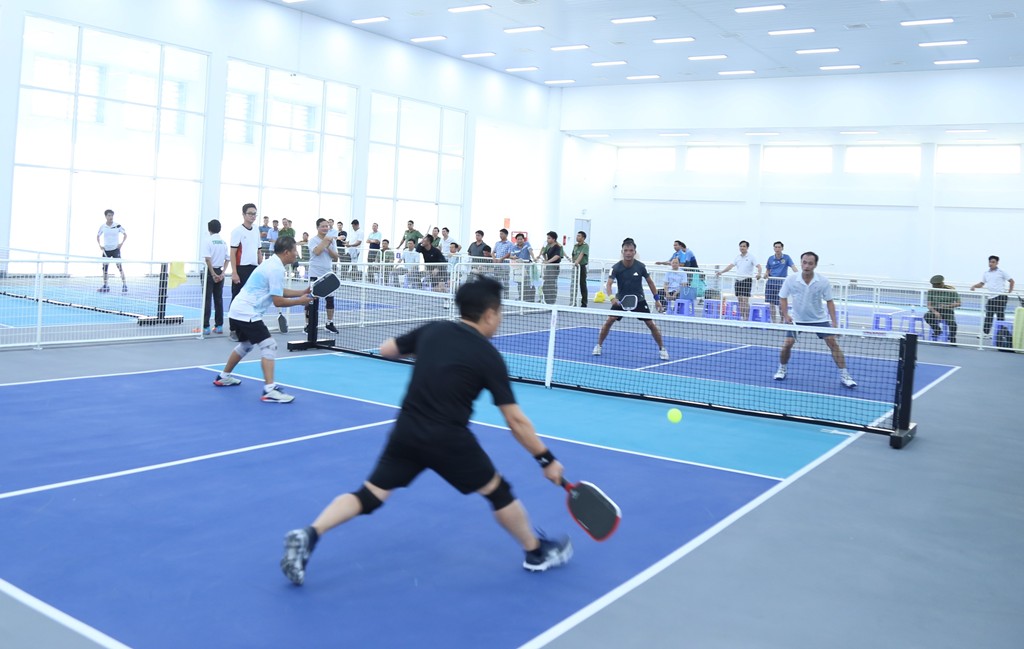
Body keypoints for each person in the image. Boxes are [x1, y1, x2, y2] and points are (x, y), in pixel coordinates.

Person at [279, 275, 572, 585]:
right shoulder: (489, 357)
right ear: (489, 314)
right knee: (498, 492)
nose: (499, 319)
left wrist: (428, 353)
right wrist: (545, 459)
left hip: (407, 432)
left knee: (370, 495)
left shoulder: (435, 330)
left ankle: (310, 533)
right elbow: (515, 420)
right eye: (499, 312)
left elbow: (387, 349)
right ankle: (535, 552)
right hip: (448, 440)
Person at [212, 236, 312, 403]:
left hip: (237, 310)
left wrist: (301, 292)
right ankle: (269, 390)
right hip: (247, 312)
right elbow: (278, 301)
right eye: (295, 250)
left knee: (246, 344)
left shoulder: (272, 263)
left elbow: (277, 290)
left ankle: (223, 377)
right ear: (286, 252)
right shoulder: (276, 269)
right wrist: (300, 301)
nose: (296, 254)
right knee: (269, 345)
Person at [773, 252, 856, 388]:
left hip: (819, 319)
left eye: (810, 263)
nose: (806, 266)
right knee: (787, 344)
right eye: (804, 262)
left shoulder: (823, 281)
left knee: (832, 343)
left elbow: (829, 302)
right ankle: (782, 369)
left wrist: (834, 323)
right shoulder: (791, 279)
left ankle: (845, 375)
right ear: (801, 263)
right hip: (797, 319)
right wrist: (786, 314)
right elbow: (782, 297)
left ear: (815, 265)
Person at [593, 238, 668, 360]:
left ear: (634, 252)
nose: (628, 253)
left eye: (631, 250)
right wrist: (612, 298)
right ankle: (598, 346)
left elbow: (650, 282)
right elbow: (609, 284)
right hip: (621, 301)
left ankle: (662, 349)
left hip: (639, 300)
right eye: (626, 250)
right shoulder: (616, 267)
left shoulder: (641, 267)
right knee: (609, 320)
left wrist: (657, 300)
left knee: (650, 324)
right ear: (622, 252)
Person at [229, 203, 263, 341]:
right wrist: (234, 272)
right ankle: (233, 329)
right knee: (237, 299)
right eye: (250, 213)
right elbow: (233, 253)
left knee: (251, 300)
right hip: (241, 269)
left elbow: (259, 251)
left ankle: (247, 329)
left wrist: (261, 268)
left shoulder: (256, 230)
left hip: (253, 269)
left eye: (255, 214)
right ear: (243, 214)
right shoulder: (237, 231)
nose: (253, 216)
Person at [716, 240, 762, 321]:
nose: (742, 248)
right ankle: (742, 318)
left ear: (747, 247)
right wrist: (721, 272)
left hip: (746, 280)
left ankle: (746, 318)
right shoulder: (737, 257)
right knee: (740, 300)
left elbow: (759, 266)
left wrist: (759, 273)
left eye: (744, 246)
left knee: (745, 300)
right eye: (741, 246)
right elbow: (730, 266)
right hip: (738, 280)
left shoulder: (751, 257)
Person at [308, 218, 340, 334]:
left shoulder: (332, 241)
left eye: (327, 226)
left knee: (330, 299)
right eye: (323, 226)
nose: (325, 228)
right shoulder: (312, 240)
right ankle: (309, 325)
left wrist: (328, 246)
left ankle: (329, 323)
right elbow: (317, 251)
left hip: (328, 273)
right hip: (315, 272)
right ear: (317, 228)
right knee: (312, 299)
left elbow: (336, 257)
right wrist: (325, 241)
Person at [971, 255, 1015, 335]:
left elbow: (1011, 281)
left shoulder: (1001, 272)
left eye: (993, 262)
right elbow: (982, 284)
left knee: (1000, 316)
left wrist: (1009, 291)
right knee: (988, 315)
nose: (991, 263)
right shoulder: (986, 273)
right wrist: (974, 286)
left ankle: (1000, 334)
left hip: (1000, 297)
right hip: (991, 297)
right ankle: (985, 333)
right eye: (990, 262)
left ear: (997, 263)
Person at [202, 219, 229, 335]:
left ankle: (206, 327)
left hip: (210, 271)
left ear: (209, 229)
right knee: (218, 299)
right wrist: (222, 273)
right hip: (220, 270)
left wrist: (212, 273)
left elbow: (208, 259)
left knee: (207, 299)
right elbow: (227, 259)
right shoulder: (223, 242)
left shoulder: (208, 241)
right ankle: (219, 326)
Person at [764, 241, 797, 323]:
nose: (777, 249)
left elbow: (793, 267)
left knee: (781, 303)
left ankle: (782, 321)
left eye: (779, 247)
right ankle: (774, 321)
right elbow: (768, 269)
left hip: (781, 284)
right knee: (771, 303)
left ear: (782, 248)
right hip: (771, 283)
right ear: (774, 248)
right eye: (776, 247)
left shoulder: (786, 258)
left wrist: (800, 275)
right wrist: (766, 274)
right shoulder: (770, 258)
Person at [96, 209, 127, 293]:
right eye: (109, 215)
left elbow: (125, 235)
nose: (111, 217)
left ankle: (124, 285)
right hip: (106, 251)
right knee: (105, 269)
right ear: (105, 216)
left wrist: (121, 244)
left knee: (119, 267)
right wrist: (100, 245)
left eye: (112, 215)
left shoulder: (117, 225)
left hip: (115, 250)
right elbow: (98, 236)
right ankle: (105, 285)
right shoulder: (103, 226)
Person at [926, 275, 960, 343]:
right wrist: (935, 312)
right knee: (927, 316)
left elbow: (958, 303)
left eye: (936, 285)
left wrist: (947, 306)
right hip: (936, 310)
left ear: (941, 283)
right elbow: (929, 305)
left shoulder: (951, 290)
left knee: (952, 323)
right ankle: (937, 330)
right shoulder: (931, 291)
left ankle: (952, 337)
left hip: (948, 310)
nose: (935, 287)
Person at [537, 231, 562, 305]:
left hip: (553, 267)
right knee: (546, 284)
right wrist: (545, 260)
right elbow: (543, 253)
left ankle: (551, 302)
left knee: (551, 284)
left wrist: (548, 261)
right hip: (548, 267)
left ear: (554, 239)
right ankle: (546, 300)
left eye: (549, 238)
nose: (547, 239)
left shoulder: (557, 247)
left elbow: (557, 256)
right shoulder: (548, 247)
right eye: (547, 238)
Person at [571, 231, 589, 307]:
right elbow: (573, 255)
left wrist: (577, 262)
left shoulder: (585, 246)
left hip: (581, 267)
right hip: (575, 267)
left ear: (583, 238)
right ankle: (572, 302)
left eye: (579, 236)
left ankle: (584, 303)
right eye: (577, 235)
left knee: (582, 285)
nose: (577, 237)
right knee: (573, 285)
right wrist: (573, 263)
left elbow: (581, 254)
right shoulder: (575, 246)